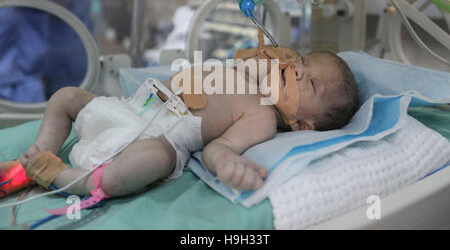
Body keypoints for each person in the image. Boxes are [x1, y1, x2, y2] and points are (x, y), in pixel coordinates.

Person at [0, 46, 358, 199]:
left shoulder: (262, 116)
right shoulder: (250, 74)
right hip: (128, 108)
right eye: (304, 62)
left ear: (302, 125)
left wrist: (229, 164)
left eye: (310, 82)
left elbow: (222, 146)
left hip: (160, 137)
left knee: (152, 159)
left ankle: (61, 177)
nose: (296, 69)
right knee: (66, 96)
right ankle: (33, 158)